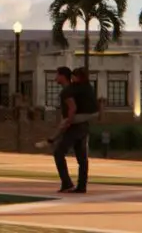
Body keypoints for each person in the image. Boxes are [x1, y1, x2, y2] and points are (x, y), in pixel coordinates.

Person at [52, 65, 99, 194]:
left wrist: (67, 122)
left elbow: (72, 109)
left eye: (57, 75)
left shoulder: (68, 91)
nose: (55, 77)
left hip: (75, 126)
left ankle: (67, 183)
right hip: (83, 125)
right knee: (82, 158)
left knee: (59, 152)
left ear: (63, 76)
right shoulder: (80, 89)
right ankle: (81, 186)